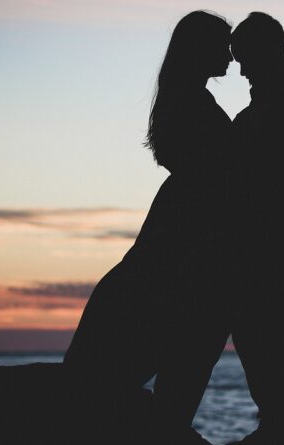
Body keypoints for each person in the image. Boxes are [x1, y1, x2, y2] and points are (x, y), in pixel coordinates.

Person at [62, 10, 233, 445]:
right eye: (222, 44)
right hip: (190, 232)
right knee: (183, 357)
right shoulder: (194, 104)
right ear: (200, 50)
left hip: (180, 222)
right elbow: (215, 174)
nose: (230, 54)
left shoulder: (185, 98)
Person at [152, 11, 284, 445]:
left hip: (259, 260)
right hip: (231, 260)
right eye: (233, 55)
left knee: (273, 381)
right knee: (197, 368)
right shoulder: (258, 109)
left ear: (268, 52)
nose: (238, 67)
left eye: (244, 57)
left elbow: (254, 186)